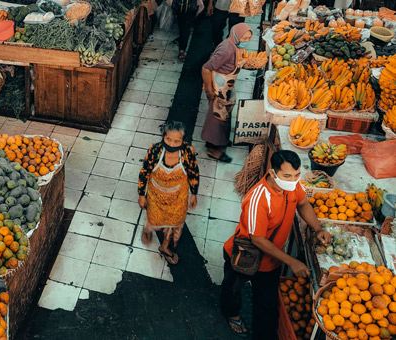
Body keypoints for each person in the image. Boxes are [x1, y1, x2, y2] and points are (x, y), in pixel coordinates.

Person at [220, 150, 332, 338]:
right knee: (232, 290)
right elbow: (258, 239)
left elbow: (303, 203)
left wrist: (317, 228)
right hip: (244, 255)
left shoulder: (293, 187)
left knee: (267, 306)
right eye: (287, 176)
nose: (293, 180)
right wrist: (292, 261)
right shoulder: (259, 199)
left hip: (271, 261)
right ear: (273, 173)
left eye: (296, 175)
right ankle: (232, 314)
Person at [138, 121, 200, 265]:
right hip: (155, 195)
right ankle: (149, 227)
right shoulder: (154, 150)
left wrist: (194, 194)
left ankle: (165, 247)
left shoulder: (188, 152)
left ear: (183, 141)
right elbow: (144, 172)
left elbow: (193, 173)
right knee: (154, 217)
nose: (172, 144)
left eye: (177, 141)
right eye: (168, 139)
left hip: (178, 196)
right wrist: (142, 195)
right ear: (163, 136)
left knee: (173, 222)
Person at [200, 23, 251, 163]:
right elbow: (206, 68)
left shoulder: (235, 45)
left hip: (226, 87)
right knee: (216, 118)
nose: (246, 41)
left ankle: (220, 140)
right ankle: (212, 148)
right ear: (235, 35)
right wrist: (209, 90)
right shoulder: (226, 49)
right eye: (244, 37)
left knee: (224, 114)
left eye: (248, 38)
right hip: (217, 87)